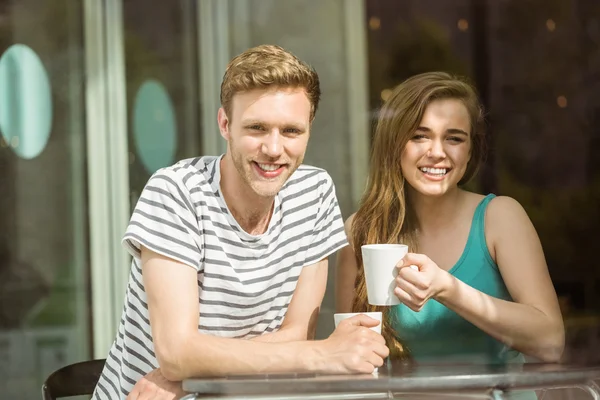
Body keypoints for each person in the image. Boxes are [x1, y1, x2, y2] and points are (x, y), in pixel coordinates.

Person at [92, 44, 388, 400]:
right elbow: (175, 353)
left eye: (291, 131)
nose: (274, 148)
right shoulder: (176, 192)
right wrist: (325, 354)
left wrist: (192, 372)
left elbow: (297, 335)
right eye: (257, 128)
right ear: (225, 124)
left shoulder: (315, 192)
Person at [336, 71, 565, 368]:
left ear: (470, 151)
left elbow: (551, 343)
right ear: (395, 145)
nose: (437, 152)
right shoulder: (361, 230)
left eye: (454, 138)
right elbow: (347, 356)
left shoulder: (500, 218)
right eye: (420, 136)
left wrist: (447, 288)